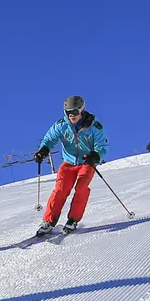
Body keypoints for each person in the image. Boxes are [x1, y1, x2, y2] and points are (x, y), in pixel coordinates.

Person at [32, 95, 108, 235]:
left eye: (75, 112)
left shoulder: (93, 126)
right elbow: (49, 138)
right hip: (68, 163)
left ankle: (73, 219)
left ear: (82, 110)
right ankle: (49, 221)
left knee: (81, 187)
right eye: (68, 112)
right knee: (60, 190)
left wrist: (95, 156)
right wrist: (43, 150)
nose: (72, 116)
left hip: (86, 162)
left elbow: (102, 145)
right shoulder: (62, 125)